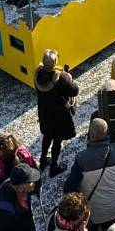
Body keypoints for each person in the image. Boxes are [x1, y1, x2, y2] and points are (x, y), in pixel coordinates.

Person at [64, 118, 115, 231]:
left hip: (91, 213)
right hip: (114, 208)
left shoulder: (82, 159)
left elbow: (69, 188)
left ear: (90, 134)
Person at [36, 48, 80, 177]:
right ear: (55, 63)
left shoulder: (37, 73)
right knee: (57, 140)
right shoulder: (62, 77)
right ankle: (53, 167)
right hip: (59, 115)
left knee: (47, 136)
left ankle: (43, 162)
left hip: (45, 112)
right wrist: (70, 77)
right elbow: (75, 91)